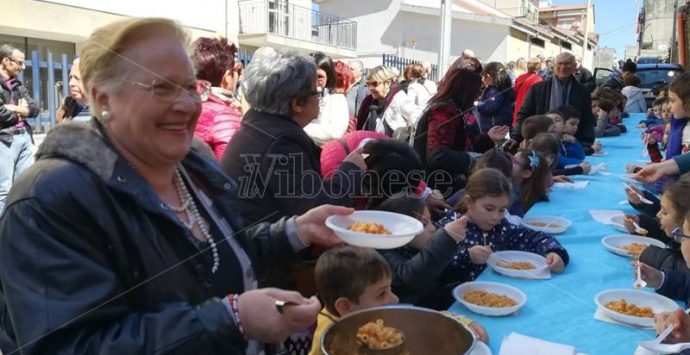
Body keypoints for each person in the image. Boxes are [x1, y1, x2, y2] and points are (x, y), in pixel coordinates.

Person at [0, 17, 356, 355]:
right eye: (161, 87)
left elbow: (217, 252)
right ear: (103, 97)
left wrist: (295, 231)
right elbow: (71, 345)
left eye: (190, 87)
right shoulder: (49, 199)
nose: (187, 104)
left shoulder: (190, 164)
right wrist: (232, 318)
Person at [221, 50, 364, 226]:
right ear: (297, 103)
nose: (319, 96)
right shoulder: (282, 143)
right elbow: (322, 211)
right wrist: (351, 169)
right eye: (315, 91)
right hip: (261, 248)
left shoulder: (257, 124)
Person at [376, 196, 489, 342]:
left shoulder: (414, 247)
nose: (433, 228)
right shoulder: (382, 251)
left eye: (430, 221)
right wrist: (446, 239)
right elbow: (408, 279)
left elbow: (437, 279)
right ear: (396, 229)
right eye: (423, 224)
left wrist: (468, 258)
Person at [437, 168, 568, 284]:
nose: (496, 216)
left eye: (501, 210)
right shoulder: (448, 228)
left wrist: (554, 252)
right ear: (469, 202)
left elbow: (532, 237)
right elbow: (435, 270)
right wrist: (467, 256)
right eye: (489, 208)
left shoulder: (500, 227)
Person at [412, 57, 507, 194]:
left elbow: (460, 144)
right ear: (466, 89)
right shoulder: (444, 111)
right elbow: (437, 155)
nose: (478, 96)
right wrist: (475, 159)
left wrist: (487, 138)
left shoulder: (453, 109)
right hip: (437, 189)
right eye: (477, 90)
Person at [309, 246, 399, 355]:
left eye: (390, 289)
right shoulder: (335, 341)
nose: (395, 299)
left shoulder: (355, 318)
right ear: (345, 307)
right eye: (381, 294)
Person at [513, 52, 595, 151]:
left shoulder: (582, 91)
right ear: (554, 66)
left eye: (567, 63)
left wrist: (587, 142)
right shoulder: (538, 89)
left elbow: (587, 119)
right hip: (541, 141)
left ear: (574, 66)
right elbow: (523, 115)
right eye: (560, 63)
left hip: (570, 143)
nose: (563, 67)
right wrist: (516, 137)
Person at [190, 37, 243, 160]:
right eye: (237, 72)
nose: (238, 78)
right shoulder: (223, 115)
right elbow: (231, 173)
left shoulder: (178, 103)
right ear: (227, 76)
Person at [0, 44, 38, 213]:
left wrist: (15, 109)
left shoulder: (18, 85)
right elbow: (1, 114)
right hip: (5, 140)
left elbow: (34, 108)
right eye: (19, 63)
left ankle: (18, 229)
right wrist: (21, 113)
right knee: (4, 191)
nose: (22, 67)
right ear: (5, 61)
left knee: (24, 188)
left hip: (25, 137)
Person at [628, 174, 690, 272]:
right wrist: (641, 224)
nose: (658, 215)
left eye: (665, 212)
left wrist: (653, 257)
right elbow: (670, 239)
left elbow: (684, 274)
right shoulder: (679, 236)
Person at [356, 65, 422, 136]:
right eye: (368, 84)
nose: (370, 88)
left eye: (374, 84)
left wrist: (408, 127)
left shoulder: (398, 99)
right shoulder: (369, 101)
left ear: (387, 83)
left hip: (392, 145)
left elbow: (418, 113)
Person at [304, 52, 349, 145]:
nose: (314, 81)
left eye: (319, 77)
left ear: (328, 77)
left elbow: (335, 133)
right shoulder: (300, 97)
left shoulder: (337, 99)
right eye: (310, 76)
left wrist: (302, 127)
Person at [476, 62, 514, 132]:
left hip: (494, 127)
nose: (482, 79)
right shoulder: (502, 88)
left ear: (488, 76)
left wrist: (476, 104)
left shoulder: (494, 91)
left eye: (483, 76)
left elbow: (489, 107)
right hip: (501, 126)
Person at [56, 57, 91, 123]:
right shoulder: (65, 109)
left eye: (77, 78)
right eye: (70, 78)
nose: (71, 83)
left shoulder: (106, 110)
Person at [512, 57, 543, 126]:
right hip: (529, 109)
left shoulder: (520, 77)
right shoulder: (538, 79)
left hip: (518, 107)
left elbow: (515, 91)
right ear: (538, 66)